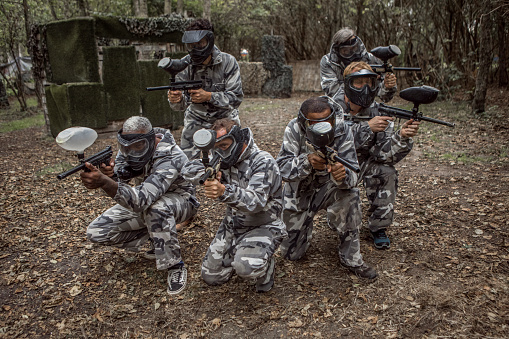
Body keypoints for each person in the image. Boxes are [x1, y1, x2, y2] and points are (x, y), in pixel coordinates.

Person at [80, 116, 199, 295]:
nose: (131, 151)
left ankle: (175, 265)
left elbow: (140, 200)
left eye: (138, 146)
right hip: (147, 200)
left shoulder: (170, 155)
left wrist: (105, 182)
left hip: (182, 200)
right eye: (126, 147)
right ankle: (158, 237)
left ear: (151, 139)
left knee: (156, 208)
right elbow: (123, 175)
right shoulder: (128, 148)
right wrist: (111, 175)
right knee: (97, 231)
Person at [276, 96, 377, 279]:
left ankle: (351, 257)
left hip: (331, 188)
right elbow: (282, 168)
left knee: (351, 195)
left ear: (332, 118)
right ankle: (305, 228)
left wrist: (342, 175)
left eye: (327, 120)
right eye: (315, 122)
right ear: (304, 121)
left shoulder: (342, 128)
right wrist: (306, 162)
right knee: (291, 254)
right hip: (300, 192)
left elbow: (353, 174)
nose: (322, 126)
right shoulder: (295, 128)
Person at [182, 118, 287, 292]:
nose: (221, 152)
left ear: (239, 140)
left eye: (224, 146)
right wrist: (209, 172)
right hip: (233, 224)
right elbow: (188, 170)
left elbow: (256, 202)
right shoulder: (221, 158)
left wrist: (224, 191)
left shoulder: (262, 161)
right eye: (217, 147)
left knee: (246, 267)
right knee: (211, 276)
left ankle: (263, 266)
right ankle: (242, 252)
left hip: (263, 224)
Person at [335, 61, 420, 249]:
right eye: (359, 82)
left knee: (386, 171)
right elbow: (332, 141)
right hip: (336, 166)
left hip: (364, 164)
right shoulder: (332, 107)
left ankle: (378, 227)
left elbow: (384, 155)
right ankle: (337, 218)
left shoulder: (378, 111)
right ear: (348, 84)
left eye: (369, 82)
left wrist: (401, 137)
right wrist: (366, 128)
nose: (365, 88)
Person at [168, 18, 244, 161]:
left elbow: (235, 98)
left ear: (209, 41)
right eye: (191, 45)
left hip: (225, 118)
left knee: (232, 160)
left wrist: (209, 96)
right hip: (196, 118)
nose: (195, 49)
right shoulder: (184, 65)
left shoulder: (228, 62)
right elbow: (179, 106)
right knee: (188, 165)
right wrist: (176, 99)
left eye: (199, 44)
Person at [320, 27, 397, 102]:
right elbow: (332, 90)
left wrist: (387, 87)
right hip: (339, 105)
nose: (352, 53)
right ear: (337, 50)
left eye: (355, 48)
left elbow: (384, 97)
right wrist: (358, 82)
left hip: (366, 105)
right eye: (346, 51)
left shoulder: (369, 59)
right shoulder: (328, 61)